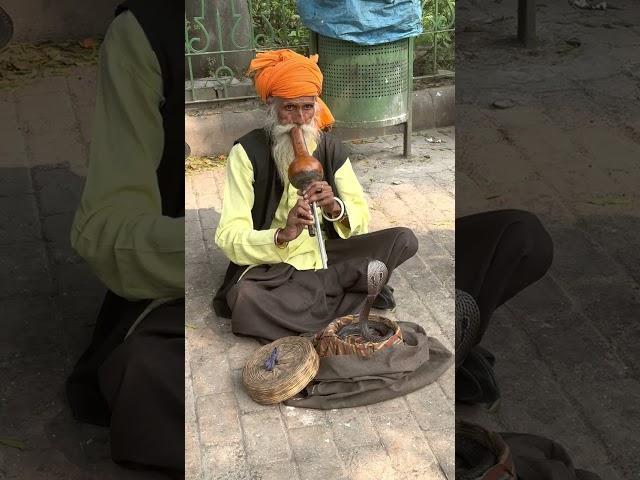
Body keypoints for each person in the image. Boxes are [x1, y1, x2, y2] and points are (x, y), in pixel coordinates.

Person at [213, 49, 418, 342]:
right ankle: (343, 297)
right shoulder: (246, 153)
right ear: (272, 105)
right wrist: (283, 234)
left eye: (307, 107)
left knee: (404, 239)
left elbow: (360, 216)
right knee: (244, 297)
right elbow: (229, 236)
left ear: (317, 106)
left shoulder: (330, 147)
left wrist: (335, 207)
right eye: (289, 108)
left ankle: (315, 302)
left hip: (328, 256)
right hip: (277, 267)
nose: (299, 119)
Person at [65, 1, 184, 478]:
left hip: (281, 270)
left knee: (392, 244)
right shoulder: (145, 30)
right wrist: (214, 249)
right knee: (148, 373)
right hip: (183, 285)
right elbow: (102, 229)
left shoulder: (306, 28)